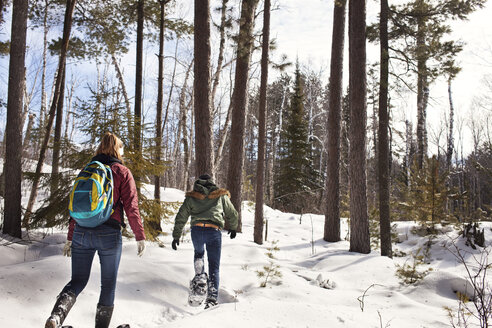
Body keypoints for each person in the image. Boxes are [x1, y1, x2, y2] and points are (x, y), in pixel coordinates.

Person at [45, 132, 146, 328]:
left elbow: (77, 206)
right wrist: (139, 236)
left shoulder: (87, 170)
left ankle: (56, 317)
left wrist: (70, 237)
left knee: (77, 280)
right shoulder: (122, 172)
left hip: (82, 232)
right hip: (109, 234)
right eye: (122, 147)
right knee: (108, 284)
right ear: (117, 148)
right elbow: (131, 207)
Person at [172, 174, 238, 309]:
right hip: (213, 231)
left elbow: (181, 216)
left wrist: (176, 236)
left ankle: (200, 277)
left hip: (197, 231)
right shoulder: (221, 196)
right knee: (214, 265)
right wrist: (233, 227)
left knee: (199, 253)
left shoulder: (192, 197)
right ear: (212, 183)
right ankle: (212, 298)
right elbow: (232, 213)